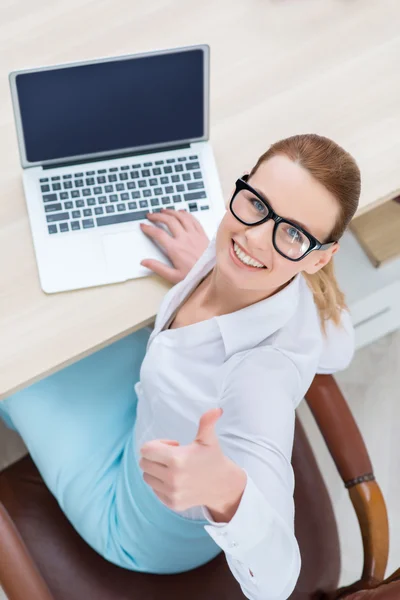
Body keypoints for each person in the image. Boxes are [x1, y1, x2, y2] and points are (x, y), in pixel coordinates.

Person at [0, 133, 360, 600]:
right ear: (243, 186)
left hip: (139, 515)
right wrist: (209, 266)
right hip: (143, 411)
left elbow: (278, 579)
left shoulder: (260, 381)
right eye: (256, 204)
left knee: (15, 363)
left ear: (320, 257)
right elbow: (340, 346)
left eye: (293, 233)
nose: (254, 238)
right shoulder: (270, 272)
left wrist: (227, 492)